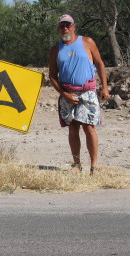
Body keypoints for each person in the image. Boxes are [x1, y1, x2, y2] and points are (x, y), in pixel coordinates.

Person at [48, 14, 110, 175]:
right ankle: (76, 164)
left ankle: (94, 166)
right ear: (58, 29)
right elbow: (52, 76)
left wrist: (105, 87)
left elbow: (99, 63)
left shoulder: (87, 42)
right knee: (73, 128)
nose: (65, 28)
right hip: (68, 93)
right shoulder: (55, 50)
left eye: (68, 25)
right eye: (62, 26)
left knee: (89, 127)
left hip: (87, 92)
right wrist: (64, 94)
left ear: (74, 26)